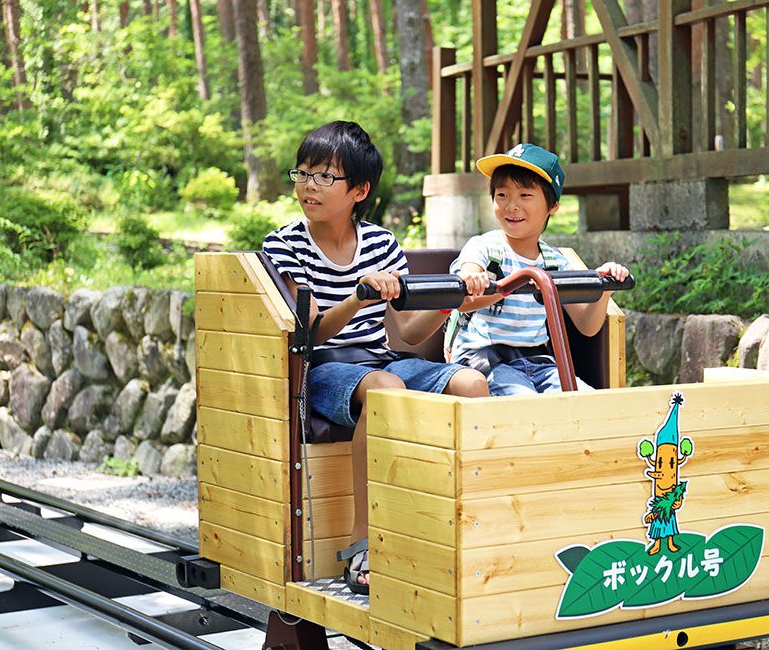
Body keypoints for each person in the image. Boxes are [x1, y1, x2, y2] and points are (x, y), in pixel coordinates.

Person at [262, 121, 488, 595]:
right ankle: (362, 541)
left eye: (325, 176)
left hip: (383, 359)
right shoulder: (283, 245)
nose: (308, 186)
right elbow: (308, 332)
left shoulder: (383, 244)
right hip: (322, 367)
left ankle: (464, 528)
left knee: (471, 385)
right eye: (302, 174)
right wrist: (357, 298)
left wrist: (450, 305)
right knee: (386, 390)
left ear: (359, 190)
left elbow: (406, 333)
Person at [449, 142, 630, 395]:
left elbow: (587, 325)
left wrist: (605, 289)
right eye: (502, 195)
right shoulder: (484, 248)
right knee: (524, 400)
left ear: (552, 206)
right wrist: (473, 278)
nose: (512, 205)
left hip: (537, 362)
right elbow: (465, 287)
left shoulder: (555, 262)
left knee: (586, 399)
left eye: (525, 195)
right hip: (486, 360)